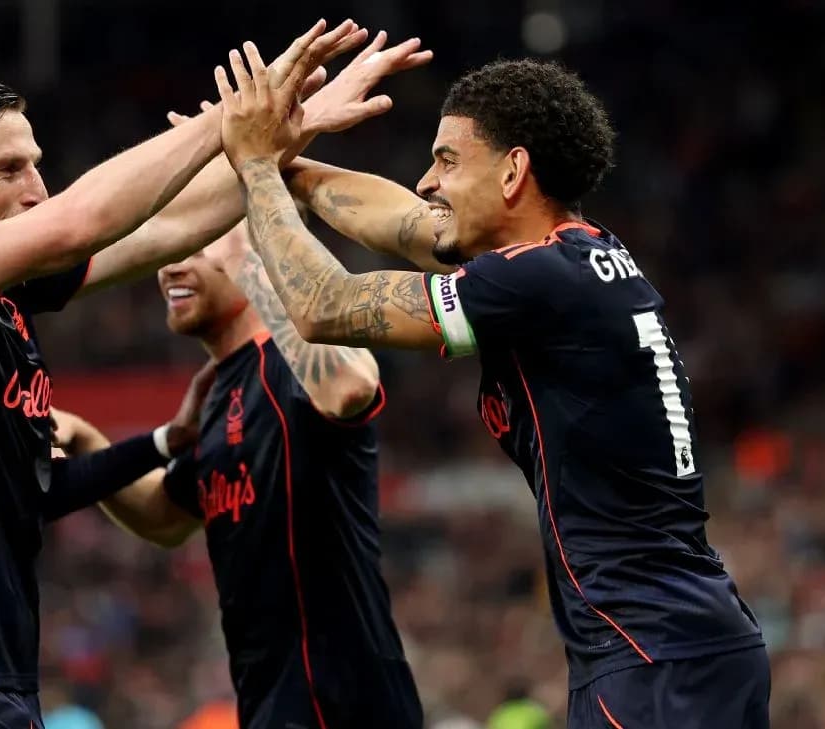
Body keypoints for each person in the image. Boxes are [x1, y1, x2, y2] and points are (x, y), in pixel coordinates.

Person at [0, 19, 427, 727]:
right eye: (11, 169)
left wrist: (276, 139)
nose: (37, 188)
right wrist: (231, 117)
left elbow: (160, 229)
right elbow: (81, 221)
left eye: (36, 165)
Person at [215, 53, 770, 728]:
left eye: (448, 161)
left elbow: (326, 305)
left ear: (512, 171)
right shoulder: (577, 257)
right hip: (685, 642)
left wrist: (254, 168)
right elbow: (409, 225)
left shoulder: (538, 281)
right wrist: (287, 166)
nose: (427, 180)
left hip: (651, 654)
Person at [52, 220, 422, 729]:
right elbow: (165, 517)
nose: (172, 266)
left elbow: (352, 385)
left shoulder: (289, 360)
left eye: (199, 246)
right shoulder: (218, 392)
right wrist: (87, 440)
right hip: (271, 701)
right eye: (170, 249)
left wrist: (251, 259)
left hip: (342, 701)